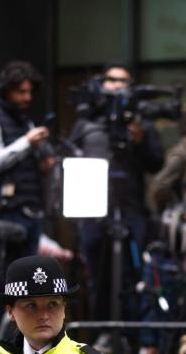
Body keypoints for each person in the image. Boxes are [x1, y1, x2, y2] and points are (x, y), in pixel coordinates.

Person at [69, 64, 164, 325]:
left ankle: (132, 335)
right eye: (111, 79)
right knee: (99, 275)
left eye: (123, 81)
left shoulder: (139, 123)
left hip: (130, 208)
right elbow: (69, 159)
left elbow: (156, 163)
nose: (116, 85)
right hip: (92, 209)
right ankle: (100, 332)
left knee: (133, 276)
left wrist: (141, 139)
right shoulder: (87, 122)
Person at [0, 60, 53, 259]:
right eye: (21, 92)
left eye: (30, 92)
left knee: (26, 277)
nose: (27, 98)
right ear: (6, 91)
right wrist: (26, 142)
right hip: (6, 212)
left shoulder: (25, 121)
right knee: (7, 275)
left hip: (31, 210)